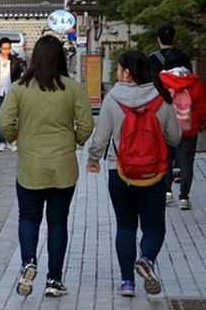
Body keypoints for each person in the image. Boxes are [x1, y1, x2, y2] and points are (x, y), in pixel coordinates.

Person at [0, 35, 94, 298]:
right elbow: (86, 124)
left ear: (35, 57)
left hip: (30, 166)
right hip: (63, 166)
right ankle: (54, 280)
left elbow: (5, 123)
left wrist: (16, 138)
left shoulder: (19, 88)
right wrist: (74, 140)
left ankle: (28, 261)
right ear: (61, 58)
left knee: (28, 218)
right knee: (58, 223)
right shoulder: (72, 88)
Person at [87, 50, 180, 298]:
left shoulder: (113, 98)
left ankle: (127, 282)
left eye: (118, 68)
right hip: (154, 174)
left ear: (126, 73)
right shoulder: (162, 98)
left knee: (126, 226)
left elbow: (101, 137)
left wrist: (93, 158)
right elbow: (175, 137)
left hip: (120, 171)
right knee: (155, 227)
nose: (117, 72)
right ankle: (147, 259)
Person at [159, 48, 206, 210]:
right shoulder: (195, 82)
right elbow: (201, 107)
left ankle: (166, 193)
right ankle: (184, 198)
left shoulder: (162, 79)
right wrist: (198, 123)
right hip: (189, 127)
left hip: (166, 127)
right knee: (187, 163)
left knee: (166, 160)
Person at [148, 24, 190, 188]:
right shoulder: (184, 57)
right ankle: (179, 168)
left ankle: (166, 182)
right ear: (174, 38)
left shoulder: (152, 59)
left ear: (158, 39)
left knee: (164, 141)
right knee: (180, 136)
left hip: (160, 103)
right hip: (183, 104)